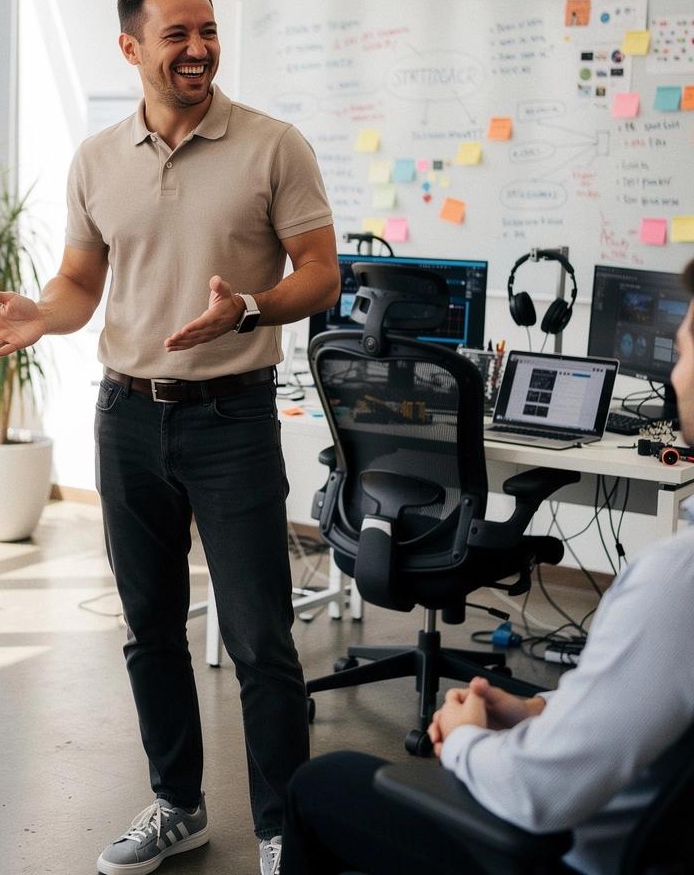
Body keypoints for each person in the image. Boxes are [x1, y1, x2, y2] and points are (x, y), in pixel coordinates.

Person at [0, 0, 340, 875]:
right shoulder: (97, 159)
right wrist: (41, 315)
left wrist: (247, 308)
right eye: (177, 35)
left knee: (259, 639)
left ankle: (287, 829)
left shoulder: (272, 146)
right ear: (131, 48)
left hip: (232, 418)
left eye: (207, 31)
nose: (199, 49)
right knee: (150, 628)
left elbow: (321, 273)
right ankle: (179, 806)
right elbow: (83, 283)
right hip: (126, 416)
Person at [280, 257, 694, 875]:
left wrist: (467, 738)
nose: (672, 370)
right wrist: (535, 710)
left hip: (556, 851)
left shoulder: (676, 581)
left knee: (321, 782)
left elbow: (536, 795)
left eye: (684, 350)